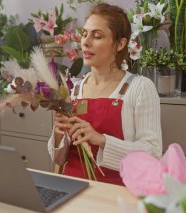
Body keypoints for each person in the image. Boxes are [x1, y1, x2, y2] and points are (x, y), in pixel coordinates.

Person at [47, 3, 162, 186]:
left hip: (116, 191)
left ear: (120, 44)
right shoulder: (74, 90)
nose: (86, 42)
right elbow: (58, 159)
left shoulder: (140, 88)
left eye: (97, 36)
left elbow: (153, 154)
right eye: (84, 34)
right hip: (70, 187)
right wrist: (59, 133)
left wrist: (101, 140)